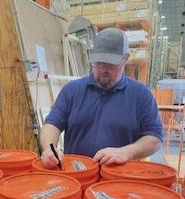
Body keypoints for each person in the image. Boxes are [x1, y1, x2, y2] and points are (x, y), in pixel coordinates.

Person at [40, 27, 163, 168]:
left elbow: (155, 138)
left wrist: (126, 152)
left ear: (126, 59)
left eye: (110, 65)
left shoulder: (141, 95)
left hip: (119, 179)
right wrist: (50, 148)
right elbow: (52, 124)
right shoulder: (72, 90)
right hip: (78, 175)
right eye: (98, 63)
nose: (103, 70)